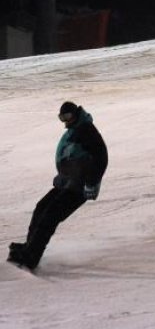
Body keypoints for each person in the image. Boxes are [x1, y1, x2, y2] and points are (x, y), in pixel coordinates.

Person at [7, 101, 108, 271]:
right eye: (61, 118)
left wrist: (91, 183)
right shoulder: (76, 129)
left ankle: (32, 256)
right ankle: (29, 247)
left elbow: (101, 157)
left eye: (67, 117)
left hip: (79, 187)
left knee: (50, 216)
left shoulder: (86, 130)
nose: (65, 121)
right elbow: (72, 157)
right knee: (41, 208)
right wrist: (62, 176)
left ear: (76, 114)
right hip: (68, 183)